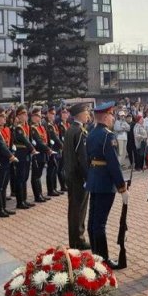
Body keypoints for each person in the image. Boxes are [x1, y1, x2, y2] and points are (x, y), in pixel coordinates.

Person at [85, 102, 128, 269]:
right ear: (104, 116)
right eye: (111, 115)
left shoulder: (91, 133)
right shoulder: (108, 136)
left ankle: (95, 257)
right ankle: (103, 260)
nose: (113, 118)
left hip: (94, 179)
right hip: (104, 183)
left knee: (93, 222)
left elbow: (89, 158)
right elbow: (113, 164)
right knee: (99, 224)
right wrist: (122, 187)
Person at [63, 103, 91, 250]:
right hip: (79, 177)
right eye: (86, 112)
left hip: (71, 175)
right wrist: (88, 177)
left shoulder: (70, 130)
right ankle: (78, 240)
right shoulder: (80, 131)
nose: (88, 115)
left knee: (73, 209)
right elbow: (82, 158)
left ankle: (74, 240)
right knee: (79, 210)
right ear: (79, 114)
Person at [0, 108, 18, 218]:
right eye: (1, 117)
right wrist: (11, 156)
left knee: (4, 185)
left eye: (4, 116)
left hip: (7, 160)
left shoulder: (6, 129)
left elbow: (10, 143)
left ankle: (3, 207)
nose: (4, 118)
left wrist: (12, 153)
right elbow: (1, 145)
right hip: (0, 160)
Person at [12, 105, 36, 209]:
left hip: (26, 153)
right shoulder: (18, 128)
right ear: (18, 116)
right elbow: (24, 140)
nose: (26, 116)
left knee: (25, 177)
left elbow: (30, 139)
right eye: (23, 114)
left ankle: (24, 199)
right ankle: (19, 201)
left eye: (26, 114)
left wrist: (31, 149)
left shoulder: (27, 126)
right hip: (20, 153)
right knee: (20, 178)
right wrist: (32, 149)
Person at [30, 107, 52, 203]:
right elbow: (38, 142)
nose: (39, 118)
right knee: (36, 175)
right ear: (33, 116)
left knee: (39, 175)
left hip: (43, 153)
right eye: (37, 116)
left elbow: (45, 139)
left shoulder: (42, 127)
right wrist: (47, 149)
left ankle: (40, 194)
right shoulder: (33, 128)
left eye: (40, 115)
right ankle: (37, 195)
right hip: (37, 153)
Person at [45, 107, 63, 197]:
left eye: (54, 114)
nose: (53, 115)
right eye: (51, 113)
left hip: (56, 149)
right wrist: (62, 145)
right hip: (52, 149)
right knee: (51, 169)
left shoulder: (53, 124)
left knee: (55, 169)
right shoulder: (48, 125)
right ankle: (50, 189)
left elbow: (57, 136)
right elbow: (54, 137)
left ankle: (54, 188)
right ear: (47, 114)